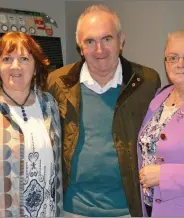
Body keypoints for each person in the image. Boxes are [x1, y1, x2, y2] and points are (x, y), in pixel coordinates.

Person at [46, 4, 160, 217]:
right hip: (72, 208)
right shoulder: (58, 82)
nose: (99, 50)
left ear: (121, 40)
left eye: (107, 39)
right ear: (80, 46)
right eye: (90, 41)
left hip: (129, 209)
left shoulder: (146, 81)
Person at [0, 32, 63, 217]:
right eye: (7, 59)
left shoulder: (49, 105)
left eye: (24, 58)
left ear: (35, 67)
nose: (15, 66)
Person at [139, 29, 184, 217]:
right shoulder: (160, 97)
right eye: (173, 57)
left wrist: (164, 176)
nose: (180, 64)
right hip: (154, 208)